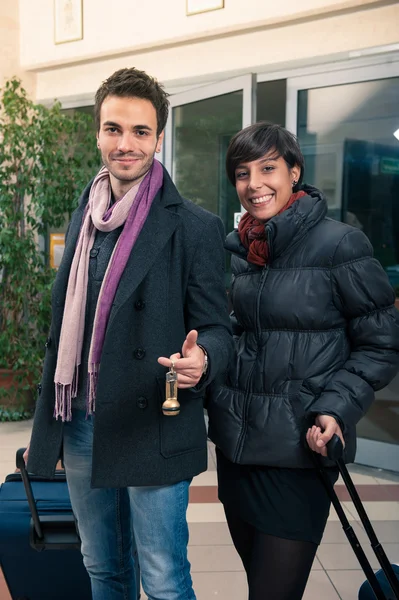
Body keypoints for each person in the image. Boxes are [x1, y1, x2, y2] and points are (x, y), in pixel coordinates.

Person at [24, 67, 233, 600]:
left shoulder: (194, 226)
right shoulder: (85, 215)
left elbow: (217, 328)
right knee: (102, 567)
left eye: (140, 131)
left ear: (159, 138)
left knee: (163, 577)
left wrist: (203, 358)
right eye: (113, 128)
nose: (126, 143)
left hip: (154, 416)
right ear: (98, 132)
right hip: (82, 419)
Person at [207, 122, 399, 600]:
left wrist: (334, 407)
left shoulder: (340, 245)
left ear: (295, 171)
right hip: (237, 450)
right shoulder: (244, 251)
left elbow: (381, 343)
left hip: (298, 452)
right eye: (242, 173)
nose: (255, 184)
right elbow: (242, 336)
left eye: (268, 168)